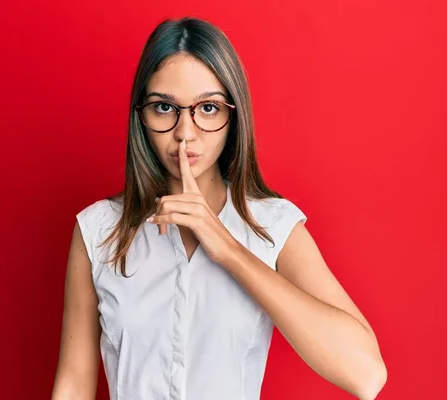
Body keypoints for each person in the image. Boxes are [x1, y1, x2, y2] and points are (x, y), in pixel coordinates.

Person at [51, 17, 387, 400]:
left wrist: (226, 247)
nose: (185, 132)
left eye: (208, 108)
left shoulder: (273, 226)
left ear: (233, 115)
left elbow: (366, 375)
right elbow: (73, 385)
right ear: (140, 115)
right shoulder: (98, 230)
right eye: (164, 107)